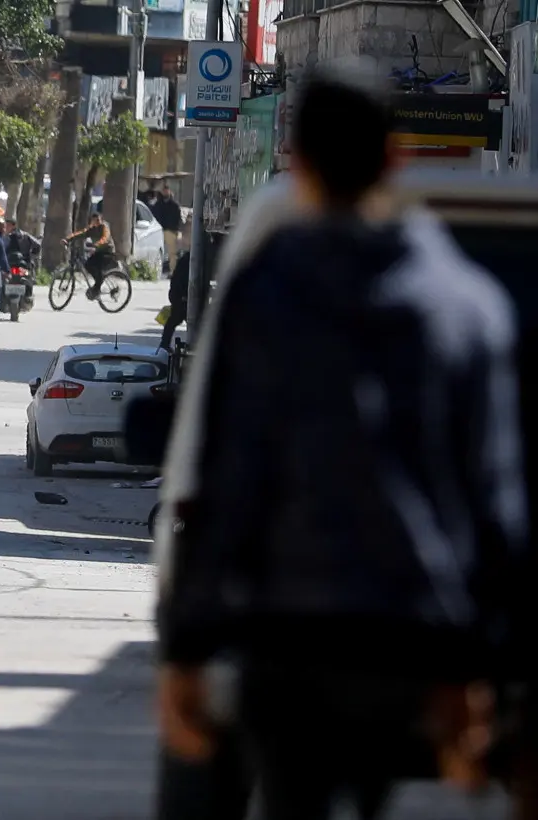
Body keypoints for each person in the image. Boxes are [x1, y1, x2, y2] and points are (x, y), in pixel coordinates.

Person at [155, 64, 528, 820]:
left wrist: (188, 649)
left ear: (304, 161)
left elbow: (229, 485)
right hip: (417, 642)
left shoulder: (265, 296)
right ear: (395, 155)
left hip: (289, 644)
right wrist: (484, 668)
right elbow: (491, 499)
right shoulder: (468, 309)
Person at [65, 212, 115, 300]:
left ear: (101, 220)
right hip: (98, 251)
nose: (96, 222)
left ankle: (97, 288)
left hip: (108, 252)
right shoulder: (92, 229)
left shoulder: (104, 227)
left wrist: (96, 244)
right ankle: (98, 283)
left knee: (99, 269)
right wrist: (68, 239)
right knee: (88, 265)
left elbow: (105, 238)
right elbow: (81, 233)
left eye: (98, 220)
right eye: (94, 221)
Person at [159, 250, 189, 351]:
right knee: (175, 318)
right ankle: (164, 344)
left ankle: (164, 344)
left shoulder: (188, 258)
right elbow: (181, 280)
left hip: (179, 295)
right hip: (181, 296)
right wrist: (183, 295)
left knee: (174, 320)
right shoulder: (190, 260)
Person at [154, 185, 183, 274]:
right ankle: (156, 270)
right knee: (157, 251)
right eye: (164, 191)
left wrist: (176, 229)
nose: (165, 192)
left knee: (172, 253)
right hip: (159, 230)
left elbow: (178, 218)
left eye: (166, 190)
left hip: (170, 230)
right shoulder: (159, 204)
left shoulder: (174, 205)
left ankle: (172, 271)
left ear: (169, 191)